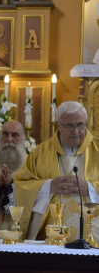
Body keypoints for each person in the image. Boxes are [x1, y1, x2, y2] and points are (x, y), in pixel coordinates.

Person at [14, 101, 99, 241]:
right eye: (70, 126)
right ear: (58, 126)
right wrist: (47, 186)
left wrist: (90, 189)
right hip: (51, 235)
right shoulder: (39, 154)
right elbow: (21, 185)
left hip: (94, 236)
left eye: (80, 125)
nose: (76, 131)